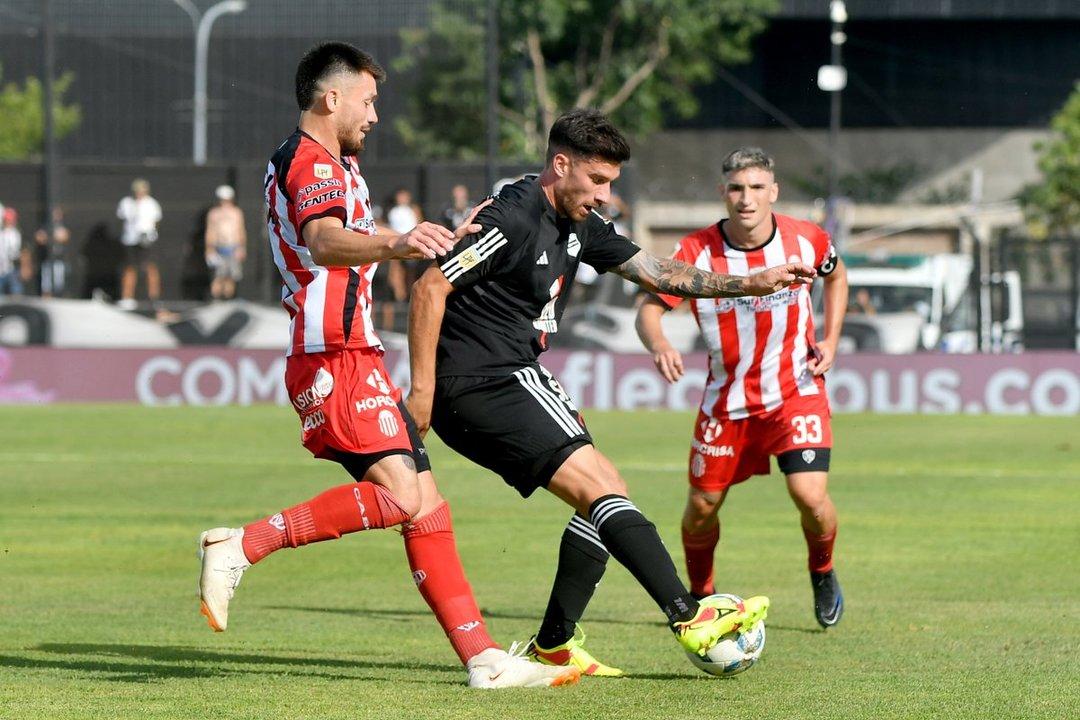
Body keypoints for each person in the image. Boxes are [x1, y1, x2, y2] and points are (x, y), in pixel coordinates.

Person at [196, 42, 577, 690]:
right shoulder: (308, 160)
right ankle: (242, 545)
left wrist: (442, 234)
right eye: (369, 101)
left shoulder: (337, 163)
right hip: (331, 357)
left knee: (427, 504)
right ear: (331, 97)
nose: (376, 115)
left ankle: (483, 659)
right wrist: (400, 241)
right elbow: (322, 242)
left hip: (355, 354)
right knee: (404, 496)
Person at [407, 109, 816, 676]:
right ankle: (687, 615)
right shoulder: (514, 216)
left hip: (509, 375)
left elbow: (659, 273)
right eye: (597, 180)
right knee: (603, 490)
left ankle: (553, 642)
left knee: (604, 494)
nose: (604, 195)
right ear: (560, 164)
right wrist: (422, 390)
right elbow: (431, 289)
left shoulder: (582, 224)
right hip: (483, 380)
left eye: (611, 184)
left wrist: (747, 283)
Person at [635, 146, 848, 630]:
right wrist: (659, 342)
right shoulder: (696, 251)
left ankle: (822, 570)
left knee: (811, 496)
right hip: (726, 402)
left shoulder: (807, 240)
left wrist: (831, 338)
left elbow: (837, 277)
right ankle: (701, 596)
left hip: (796, 390)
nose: (746, 199)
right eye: (736, 188)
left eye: (756, 188)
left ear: (773, 192)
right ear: (723, 193)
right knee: (701, 508)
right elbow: (649, 308)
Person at [116, 178, 162, 309]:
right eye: (137, 190)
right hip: (130, 240)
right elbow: (122, 219)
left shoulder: (152, 204)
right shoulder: (126, 202)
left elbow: (156, 222)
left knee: (151, 267)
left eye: (142, 190)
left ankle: (154, 298)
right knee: (130, 268)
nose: (139, 193)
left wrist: (149, 234)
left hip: (147, 240)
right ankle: (127, 298)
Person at [205, 185, 247, 300]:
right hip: (219, 248)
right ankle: (216, 301)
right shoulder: (214, 214)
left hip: (233, 248)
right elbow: (210, 231)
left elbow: (240, 230)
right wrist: (209, 249)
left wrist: (241, 247)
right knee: (218, 276)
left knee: (231, 277)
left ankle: (228, 301)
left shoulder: (236, 213)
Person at [35, 206, 70, 298]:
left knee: (58, 285)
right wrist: (51, 237)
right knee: (46, 285)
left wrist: (51, 237)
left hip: (58, 260)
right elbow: (39, 237)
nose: (56, 216)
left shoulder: (63, 225)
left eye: (58, 214)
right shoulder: (46, 225)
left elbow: (64, 237)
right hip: (47, 260)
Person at [0, 207, 24, 296]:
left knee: (15, 293)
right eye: (7, 219)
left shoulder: (16, 234)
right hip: (1, 269)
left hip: (12, 269)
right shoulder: (1, 233)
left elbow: (17, 252)